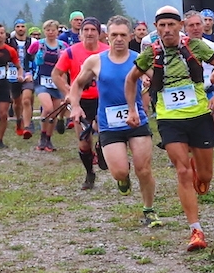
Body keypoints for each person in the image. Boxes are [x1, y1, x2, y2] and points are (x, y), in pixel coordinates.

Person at [126, 5, 214, 251]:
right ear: (156, 28)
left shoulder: (195, 46)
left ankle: (200, 170)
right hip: (169, 119)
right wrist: (133, 110)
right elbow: (130, 78)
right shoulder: (151, 52)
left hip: (199, 116)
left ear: (180, 26)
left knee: (204, 178)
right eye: (161, 26)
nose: (166, 30)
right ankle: (196, 230)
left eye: (171, 25)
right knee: (182, 172)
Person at [66, 16, 160, 226]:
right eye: (114, 35)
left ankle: (149, 209)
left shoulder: (140, 58)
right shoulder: (96, 61)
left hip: (136, 119)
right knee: (118, 172)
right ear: (106, 36)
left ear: (130, 36)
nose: (118, 39)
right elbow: (77, 84)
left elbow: (157, 82)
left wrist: (149, 80)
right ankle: (123, 178)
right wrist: (76, 105)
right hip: (109, 124)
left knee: (143, 169)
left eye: (123, 35)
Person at [54, 18, 109, 188]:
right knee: (84, 141)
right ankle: (89, 174)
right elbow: (56, 75)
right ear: (80, 33)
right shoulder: (71, 52)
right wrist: (68, 92)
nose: (90, 33)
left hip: (104, 99)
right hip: (81, 101)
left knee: (105, 133)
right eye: (86, 30)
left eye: (93, 29)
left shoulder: (107, 51)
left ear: (99, 33)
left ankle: (102, 150)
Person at [32, 20, 68, 151]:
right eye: (48, 30)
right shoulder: (38, 44)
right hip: (41, 79)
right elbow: (27, 57)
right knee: (47, 108)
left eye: (53, 30)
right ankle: (42, 137)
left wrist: (65, 84)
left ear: (57, 31)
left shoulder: (63, 46)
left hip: (56, 80)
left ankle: (48, 139)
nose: (51, 32)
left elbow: (66, 63)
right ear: (44, 31)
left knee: (54, 113)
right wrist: (27, 72)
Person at [9, 19, 36, 140]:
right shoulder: (9, 42)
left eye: (23, 26)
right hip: (12, 74)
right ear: (15, 28)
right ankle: (19, 119)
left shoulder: (33, 42)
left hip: (28, 74)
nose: (20, 28)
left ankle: (27, 126)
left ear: (26, 28)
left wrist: (33, 72)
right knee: (17, 102)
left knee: (26, 100)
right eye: (18, 26)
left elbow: (37, 58)